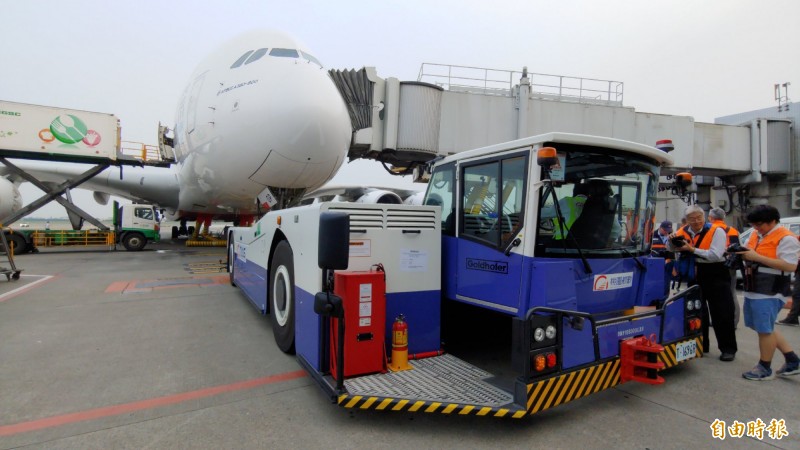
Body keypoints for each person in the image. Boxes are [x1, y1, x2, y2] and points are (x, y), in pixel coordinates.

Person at [734, 205, 800, 380]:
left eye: (759, 224)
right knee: (762, 327)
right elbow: (749, 251)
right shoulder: (757, 234)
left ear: (773, 221)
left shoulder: (787, 238)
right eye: (754, 225)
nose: (756, 228)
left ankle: (764, 367)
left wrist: (756, 257)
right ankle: (792, 360)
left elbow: (790, 265)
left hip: (771, 290)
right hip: (753, 287)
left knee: (765, 329)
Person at [667, 205, 738, 361]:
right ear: (687, 220)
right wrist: (671, 242)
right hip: (694, 273)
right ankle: (701, 344)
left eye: (699, 217)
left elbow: (715, 254)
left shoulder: (716, 231)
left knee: (722, 312)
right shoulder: (683, 231)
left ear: (704, 217)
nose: (696, 221)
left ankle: (728, 349)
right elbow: (671, 249)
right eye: (692, 219)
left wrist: (692, 250)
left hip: (716, 272)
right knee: (697, 312)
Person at [708, 207, 741, 328]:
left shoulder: (710, 230)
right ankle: (733, 321)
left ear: (710, 218)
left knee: (715, 294)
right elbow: (737, 248)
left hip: (715, 264)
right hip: (730, 265)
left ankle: (717, 319)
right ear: (723, 218)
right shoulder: (733, 230)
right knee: (732, 293)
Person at [651, 220, 675, 297]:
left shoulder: (672, 237)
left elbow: (674, 251)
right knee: (654, 283)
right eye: (665, 230)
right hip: (655, 264)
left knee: (666, 284)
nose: (666, 232)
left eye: (668, 231)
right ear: (660, 228)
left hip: (668, 264)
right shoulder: (652, 235)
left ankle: (664, 301)